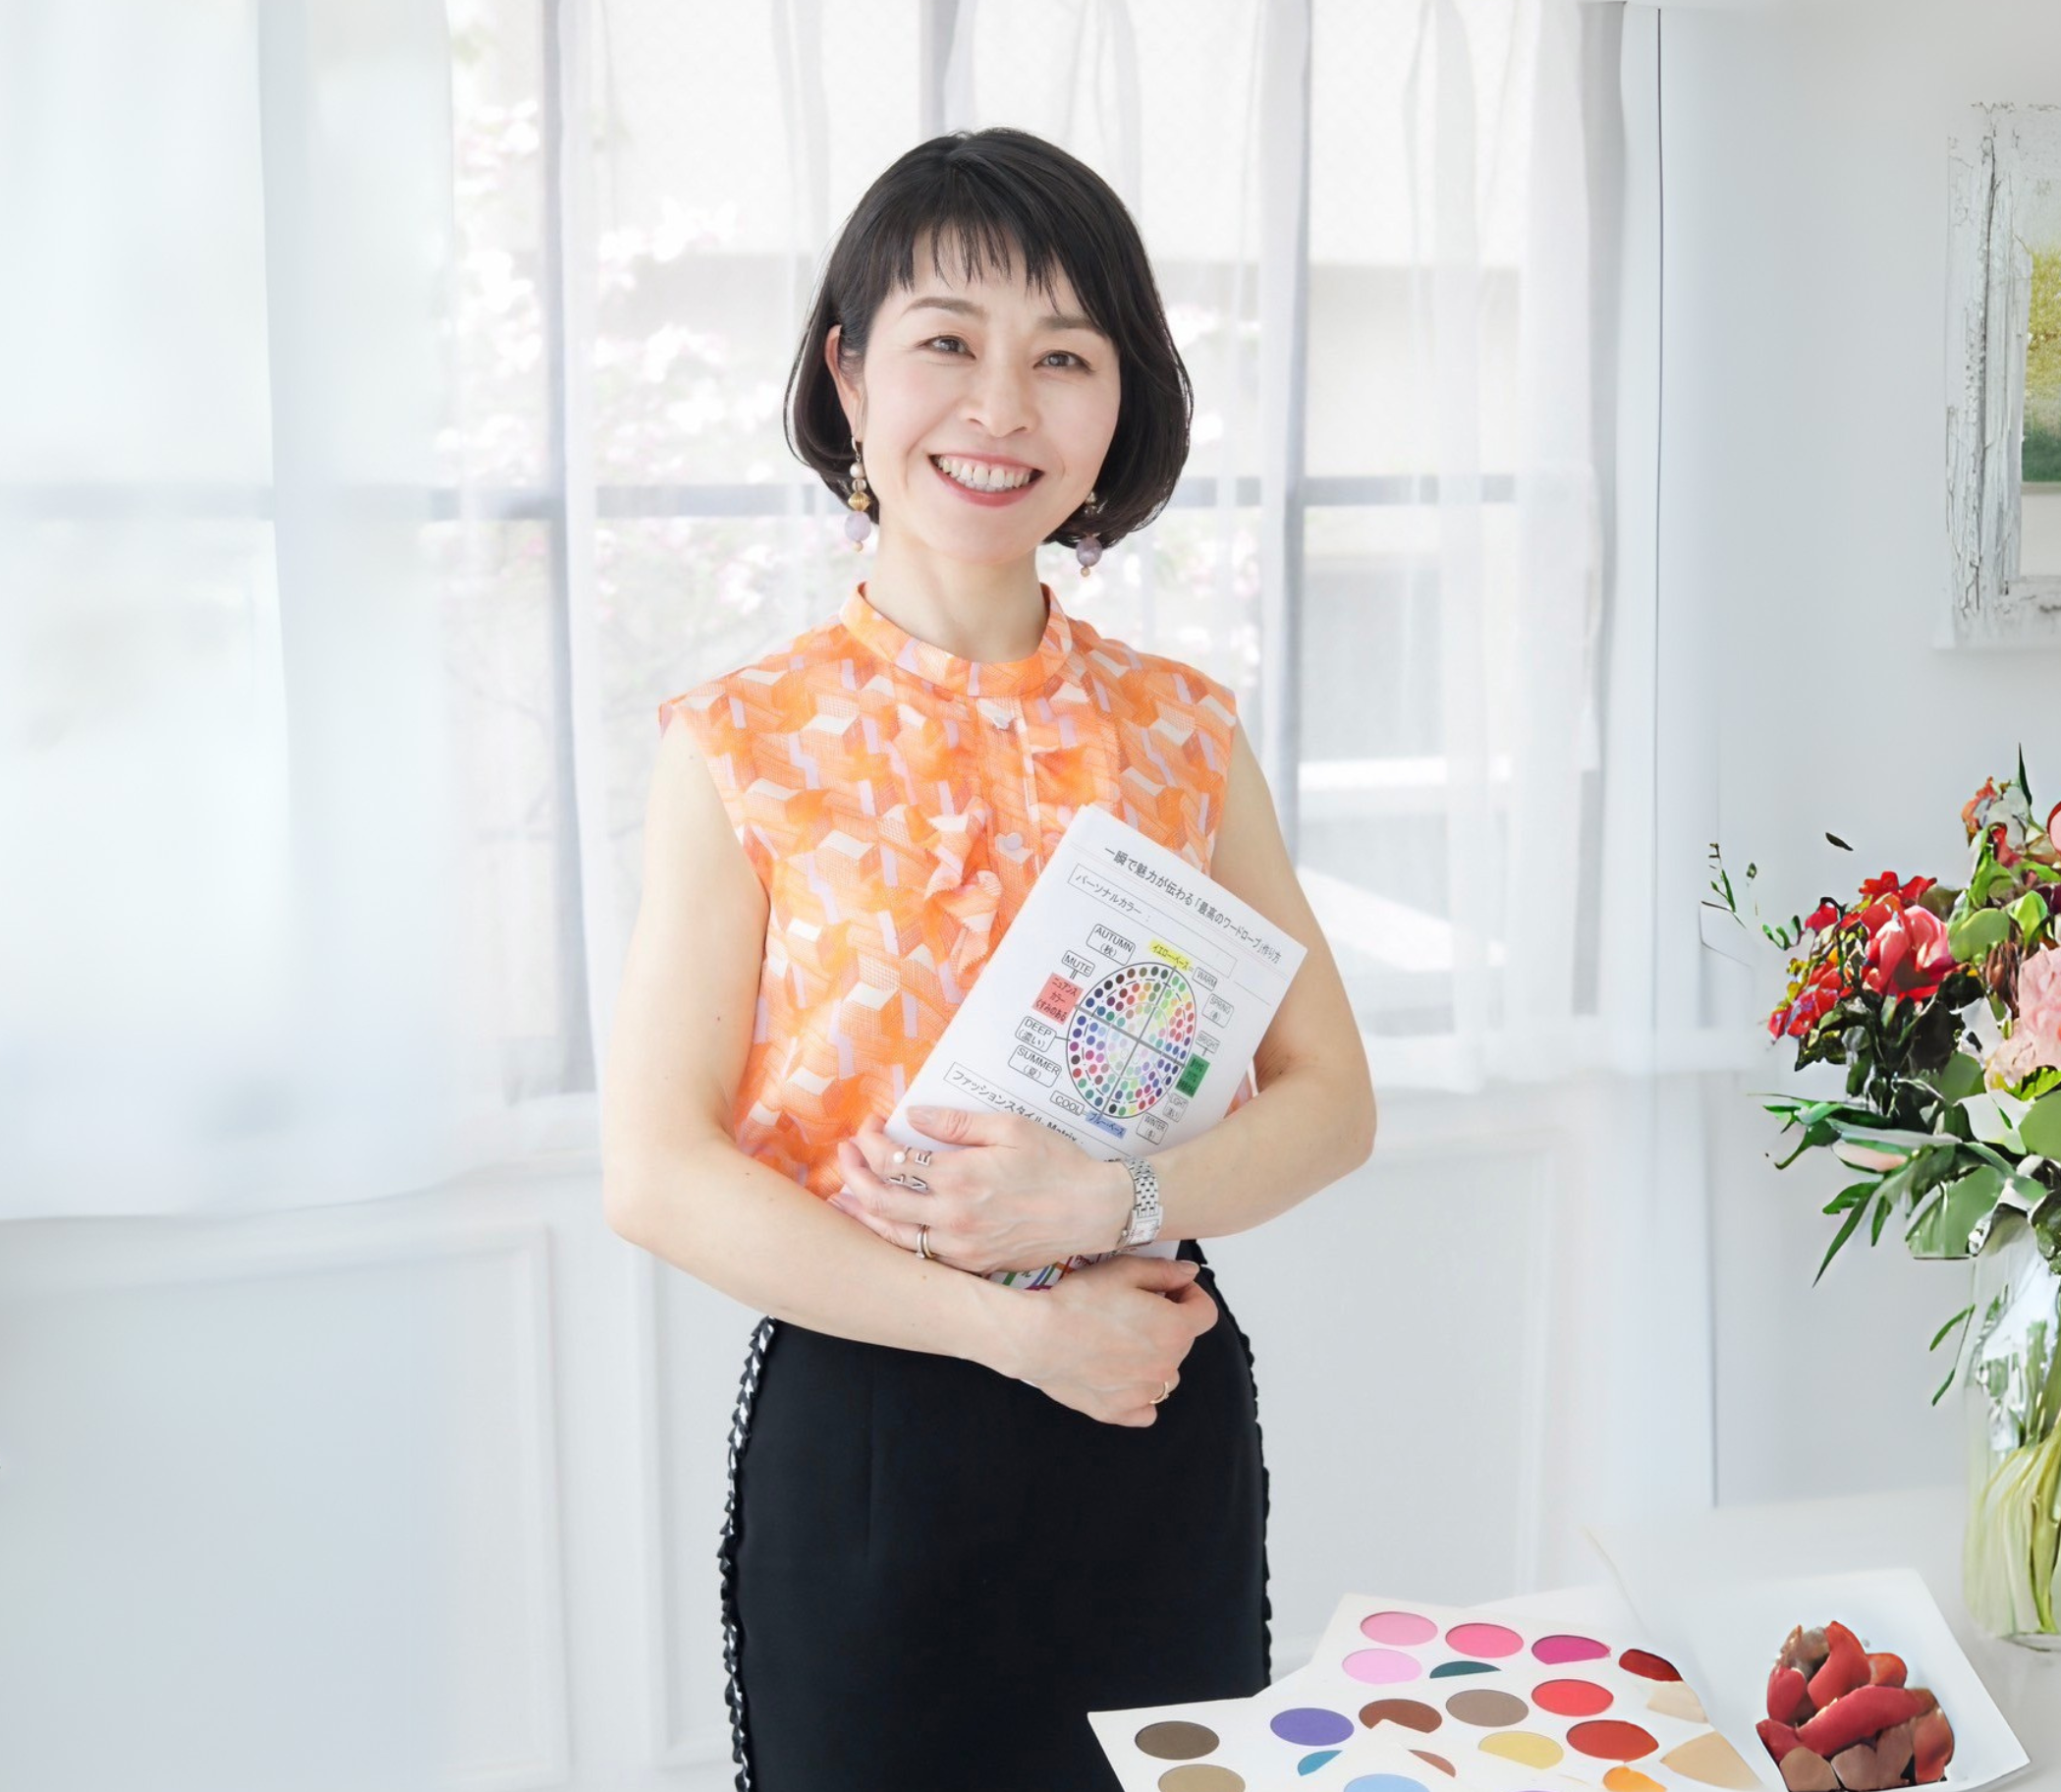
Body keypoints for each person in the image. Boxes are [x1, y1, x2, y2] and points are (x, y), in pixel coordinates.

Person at [600, 126, 1374, 1792]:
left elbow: (1334, 1102)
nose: (1002, 405)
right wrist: (1015, 1333)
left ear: (1121, 407)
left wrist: (1112, 1202)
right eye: (947, 340)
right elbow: (655, 1172)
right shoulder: (742, 741)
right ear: (849, 374)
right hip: (875, 1444)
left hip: (1151, 1409)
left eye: (1065, 357)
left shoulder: (1182, 729)